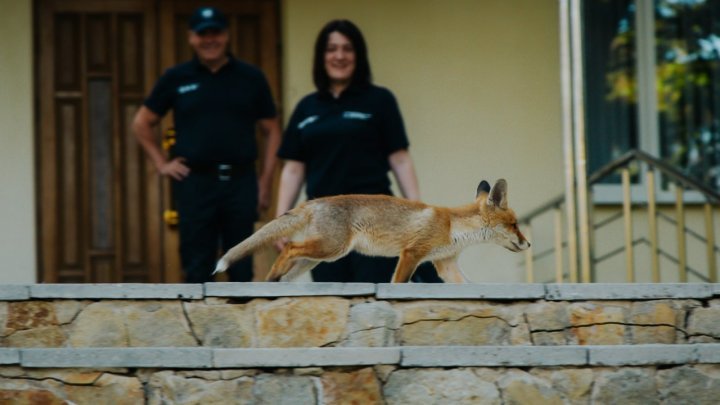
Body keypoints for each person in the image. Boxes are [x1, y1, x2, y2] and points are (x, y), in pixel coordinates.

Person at [275, 19, 442, 283]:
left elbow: (400, 160)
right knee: (334, 302)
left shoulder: (380, 101)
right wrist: (281, 223)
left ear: (358, 55)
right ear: (321, 57)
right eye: (331, 49)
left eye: (347, 49)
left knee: (374, 303)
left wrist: (419, 214)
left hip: (375, 221)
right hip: (325, 222)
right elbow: (293, 169)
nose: (339, 56)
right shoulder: (306, 108)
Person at [132, 6, 281, 283]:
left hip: (241, 182)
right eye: (203, 34)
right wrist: (161, 164)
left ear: (226, 36)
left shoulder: (251, 78)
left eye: (216, 32)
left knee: (241, 268)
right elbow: (141, 122)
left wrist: (265, 181)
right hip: (195, 184)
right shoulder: (176, 78)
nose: (210, 39)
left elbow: (272, 130)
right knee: (196, 266)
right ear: (191, 38)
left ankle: (241, 326)